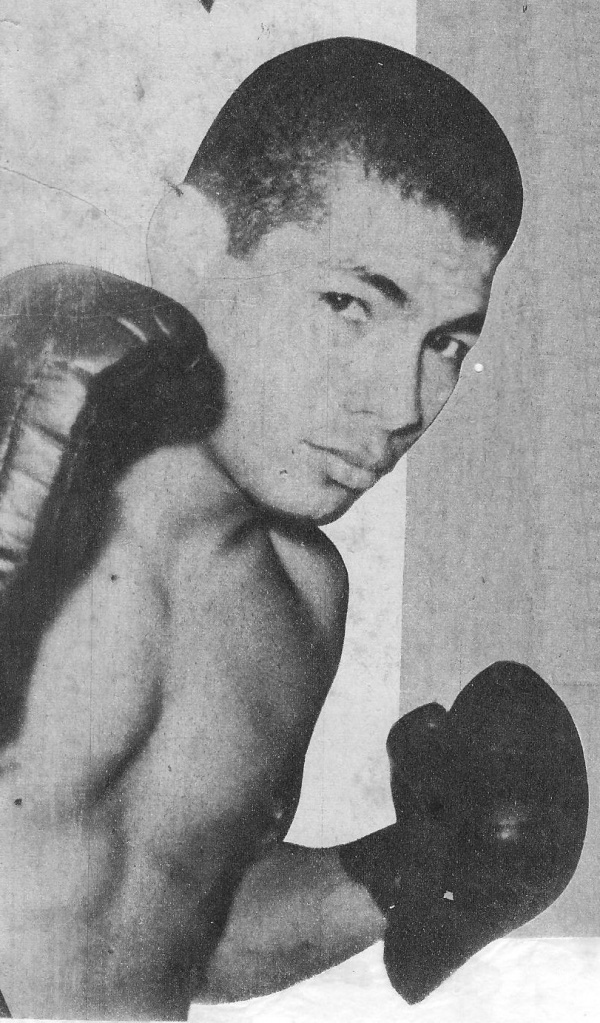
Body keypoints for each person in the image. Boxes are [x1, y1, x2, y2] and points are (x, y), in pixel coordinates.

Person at [0, 37, 587, 1020]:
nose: (401, 404)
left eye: (446, 342)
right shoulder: (24, 463)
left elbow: (186, 931)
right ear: (191, 246)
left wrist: (415, 869)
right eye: (349, 304)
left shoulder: (304, 595)